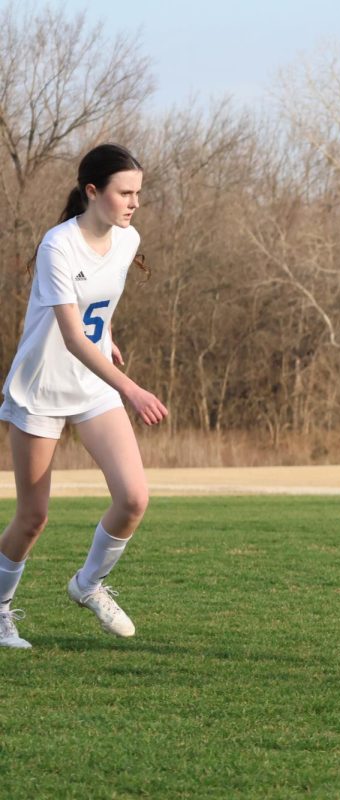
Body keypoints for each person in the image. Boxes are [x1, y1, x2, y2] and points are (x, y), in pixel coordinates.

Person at [0, 144, 168, 650]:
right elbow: (72, 338)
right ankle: (0, 610)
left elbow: (99, 306)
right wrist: (133, 388)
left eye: (139, 192)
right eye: (125, 192)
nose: (134, 202)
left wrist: (109, 334)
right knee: (33, 517)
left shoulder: (126, 237)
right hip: (41, 389)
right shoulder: (58, 245)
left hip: (91, 386)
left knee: (134, 497)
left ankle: (88, 584)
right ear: (93, 192)